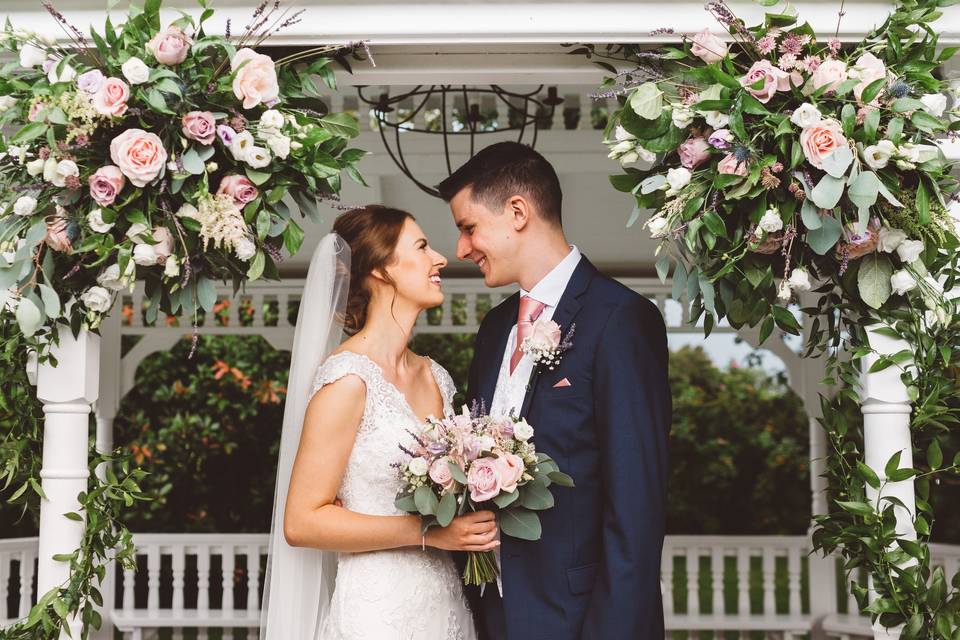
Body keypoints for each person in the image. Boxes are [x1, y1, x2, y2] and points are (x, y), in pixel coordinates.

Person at [438, 142, 672, 640]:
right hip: (492, 613)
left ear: (517, 212)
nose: (462, 249)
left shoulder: (621, 320)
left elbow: (637, 507)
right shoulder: (495, 328)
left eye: (468, 227)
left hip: (581, 618)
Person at [260, 205, 494, 640]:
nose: (440, 258)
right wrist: (431, 534)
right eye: (422, 247)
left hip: (445, 604)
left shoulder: (436, 377)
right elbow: (302, 521)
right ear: (384, 269)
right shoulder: (347, 379)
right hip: (378, 609)